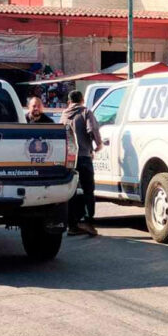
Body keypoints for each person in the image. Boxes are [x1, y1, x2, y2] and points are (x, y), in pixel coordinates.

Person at [61, 90, 102, 237]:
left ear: (69, 101)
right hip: (84, 156)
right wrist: (98, 144)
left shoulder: (64, 115)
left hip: (69, 159)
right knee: (88, 190)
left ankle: (72, 225)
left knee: (71, 192)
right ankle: (88, 221)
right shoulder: (86, 112)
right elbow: (92, 129)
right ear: (82, 100)